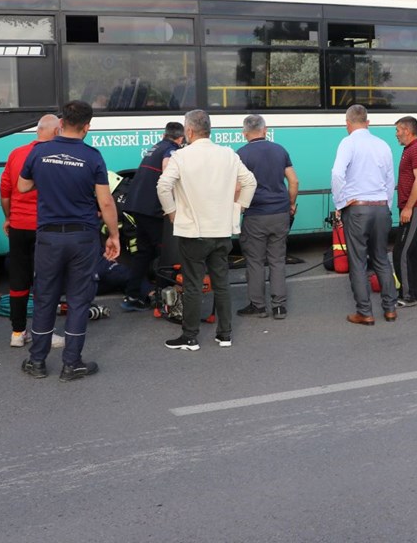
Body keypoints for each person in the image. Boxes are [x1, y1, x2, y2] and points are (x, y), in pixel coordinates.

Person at [18, 100, 120, 382]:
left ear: (61, 123)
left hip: (49, 236)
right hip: (82, 236)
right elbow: (106, 202)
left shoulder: (39, 152)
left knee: (45, 297)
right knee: (78, 299)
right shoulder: (93, 156)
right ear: (87, 127)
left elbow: (22, 186)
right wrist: (114, 235)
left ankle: (37, 361)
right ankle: (71, 364)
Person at [157, 109, 256, 349]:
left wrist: (172, 213)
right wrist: (238, 209)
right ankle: (225, 334)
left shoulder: (181, 156)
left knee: (192, 284)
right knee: (222, 283)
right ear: (209, 129)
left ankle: (190, 336)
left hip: (193, 233)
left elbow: (163, 186)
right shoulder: (228, 154)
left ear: (189, 131)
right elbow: (250, 182)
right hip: (221, 231)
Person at [331, 104, 398, 324]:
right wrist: (386, 205)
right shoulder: (383, 144)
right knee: (381, 259)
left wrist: (340, 203)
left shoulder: (347, 143)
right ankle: (390, 309)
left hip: (357, 209)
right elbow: (390, 181)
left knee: (358, 261)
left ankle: (365, 312)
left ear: (347, 124)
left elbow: (337, 174)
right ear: (367, 122)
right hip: (380, 207)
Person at [0, 114, 59, 347]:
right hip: (45, 228)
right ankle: (45, 332)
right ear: (55, 132)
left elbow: (5, 190)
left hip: (18, 226)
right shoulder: (56, 156)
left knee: (18, 279)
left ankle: (17, 333)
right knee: (46, 280)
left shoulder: (16, 153)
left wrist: (8, 217)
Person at [236, 114, 298, 319]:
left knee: (255, 261)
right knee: (278, 260)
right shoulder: (280, 150)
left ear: (245, 134)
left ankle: (258, 306)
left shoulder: (241, 154)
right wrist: (290, 205)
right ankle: (279, 306)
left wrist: (238, 209)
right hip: (280, 213)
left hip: (255, 215)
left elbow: (238, 187)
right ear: (265, 130)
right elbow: (294, 181)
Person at [121, 121, 185, 310]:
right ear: (180, 138)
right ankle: (165, 299)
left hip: (137, 206)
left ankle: (132, 296)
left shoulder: (156, 147)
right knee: (166, 254)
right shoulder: (172, 150)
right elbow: (168, 170)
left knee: (144, 252)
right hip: (152, 209)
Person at [392, 116, 417, 308]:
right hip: (413, 207)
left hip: (415, 207)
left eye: (398, 130)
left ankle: (408, 295)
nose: (396, 134)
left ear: (407, 130)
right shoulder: (411, 149)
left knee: (401, 252)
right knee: (414, 251)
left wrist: (408, 207)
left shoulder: (416, 149)